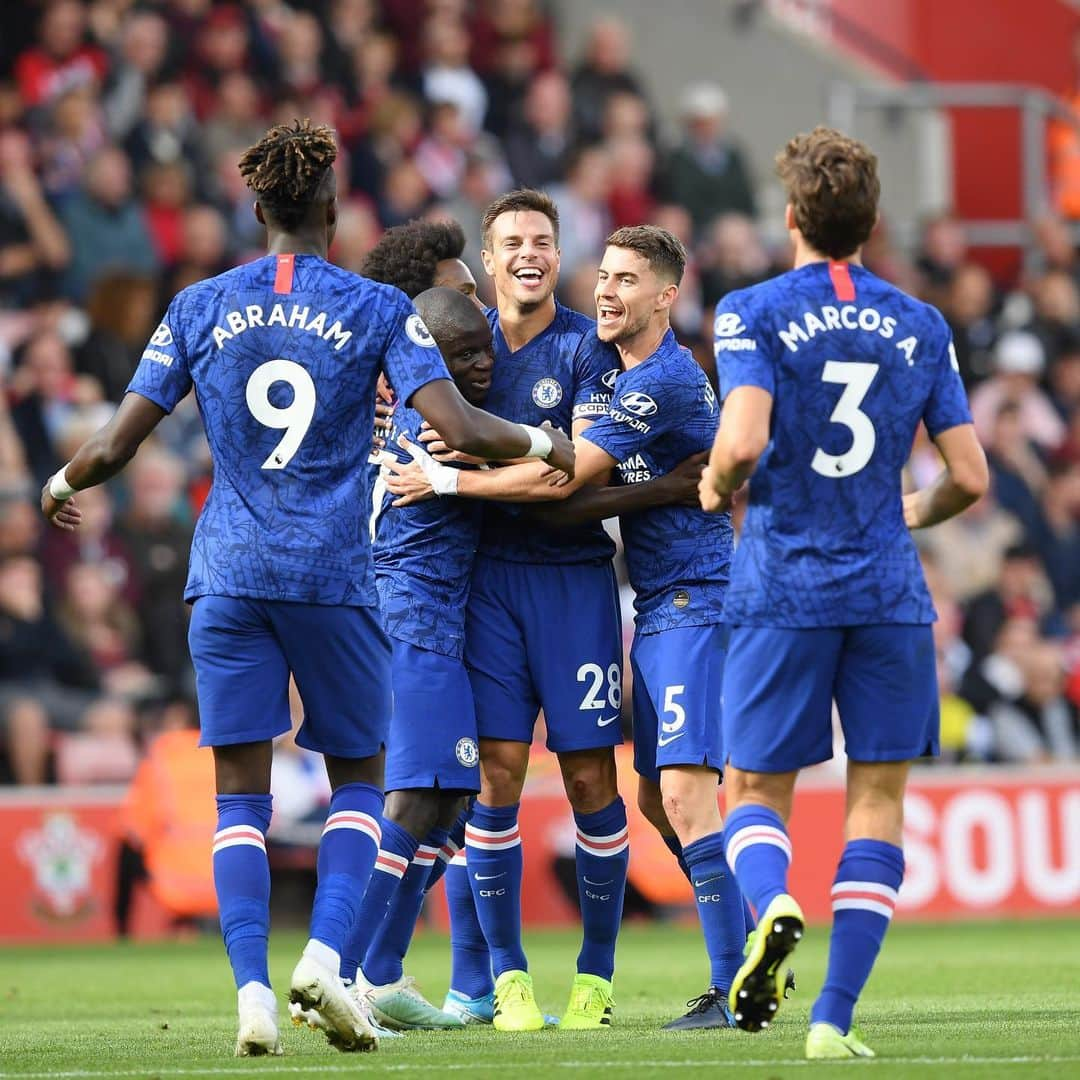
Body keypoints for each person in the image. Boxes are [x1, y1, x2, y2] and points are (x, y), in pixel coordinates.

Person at [39, 119, 574, 1059]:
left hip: (229, 577)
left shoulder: (198, 304)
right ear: (331, 208)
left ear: (255, 208)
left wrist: (61, 484)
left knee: (237, 797)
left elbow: (118, 443)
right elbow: (461, 424)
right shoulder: (375, 309)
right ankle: (327, 959)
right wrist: (543, 443)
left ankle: (252, 995)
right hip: (333, 578)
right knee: (360, 779)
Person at [385, 227, 748, 1031]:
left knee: (609, 785)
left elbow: (572, 484)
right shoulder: (455, 347)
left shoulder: (601, 357)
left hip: (604, 591)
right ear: (486, 262)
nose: (531, 254)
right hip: (507, 591)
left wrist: (452, 477)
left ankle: (606, 979)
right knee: (501, 781)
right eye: (511, 240)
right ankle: (496, 982)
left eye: (544, 241)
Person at [698, 126, 987, 1059]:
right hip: (888, 594)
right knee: (877, 799)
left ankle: (774, 902)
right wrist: (903, 509)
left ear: (790, 217)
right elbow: (970, 477)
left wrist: (712, 486)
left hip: (785, 586)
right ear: (870, 224)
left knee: (751, 786)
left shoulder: (753, 310)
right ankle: (831, 1020)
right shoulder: (921, 321)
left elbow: (741, 443)